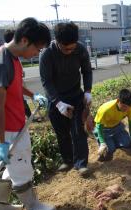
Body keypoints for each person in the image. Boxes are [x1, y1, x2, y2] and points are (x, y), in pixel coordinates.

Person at [0, 17, 55, 210]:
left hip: (15, 123)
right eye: (37, 49)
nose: (36, 54)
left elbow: (12, 85)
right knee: (21, 167)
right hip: (7, 128)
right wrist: (3, 143)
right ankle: (32, 207)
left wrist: (33, 95)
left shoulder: (12, 57)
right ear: (25, 40)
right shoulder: (0, 63)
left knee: (12, 167)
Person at [39, 22, 92, 175]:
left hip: (76, 95)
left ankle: (81, 163)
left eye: (72, 47)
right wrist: (57, 103)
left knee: (78, 131)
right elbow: (46, 81)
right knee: (61, 132)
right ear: (57, 41)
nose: (69, 51)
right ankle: (67, 160)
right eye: (66, 48)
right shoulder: (47, 54)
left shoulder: (80, 49)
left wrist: (87, 91)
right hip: (56, 98)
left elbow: (87, 71)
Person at [94, 89, 131, 161]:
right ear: (118, 100)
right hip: (104, 130)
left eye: (128, 107)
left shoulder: (130, 108)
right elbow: (99, 127)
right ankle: (109, 143)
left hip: (117, 127)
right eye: (124, 106)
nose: (126, 109)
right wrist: (102, 142)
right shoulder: (105, 110)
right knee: (110, 150)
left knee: (127, 144)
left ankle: (114, 141)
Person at [3, 29, 33, 119]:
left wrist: (33, 95)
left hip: (16, 120)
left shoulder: (14, 58)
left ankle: (29, 115)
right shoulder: (2, 62)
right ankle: (29, 115)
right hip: (8, 121)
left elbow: (16, 86)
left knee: (22, 100)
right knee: (21, 100)